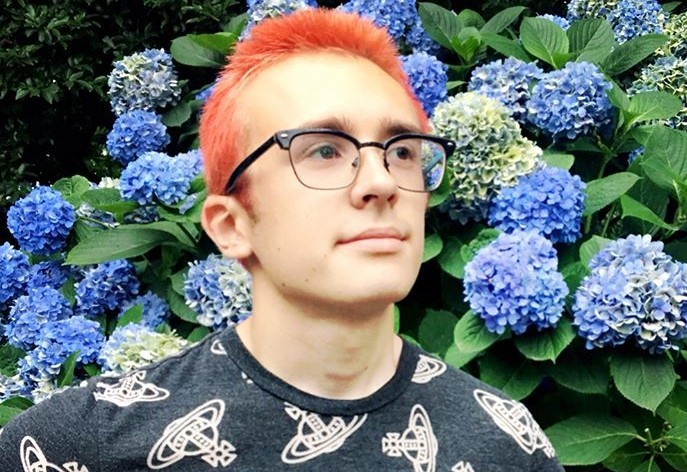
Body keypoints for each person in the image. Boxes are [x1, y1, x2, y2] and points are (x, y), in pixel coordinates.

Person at [0, 8, 564, 472]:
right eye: (324, 149)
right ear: (231, 225)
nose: (380, 181)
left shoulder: (506, 445)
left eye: (401, 151)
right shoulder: (81, 447)